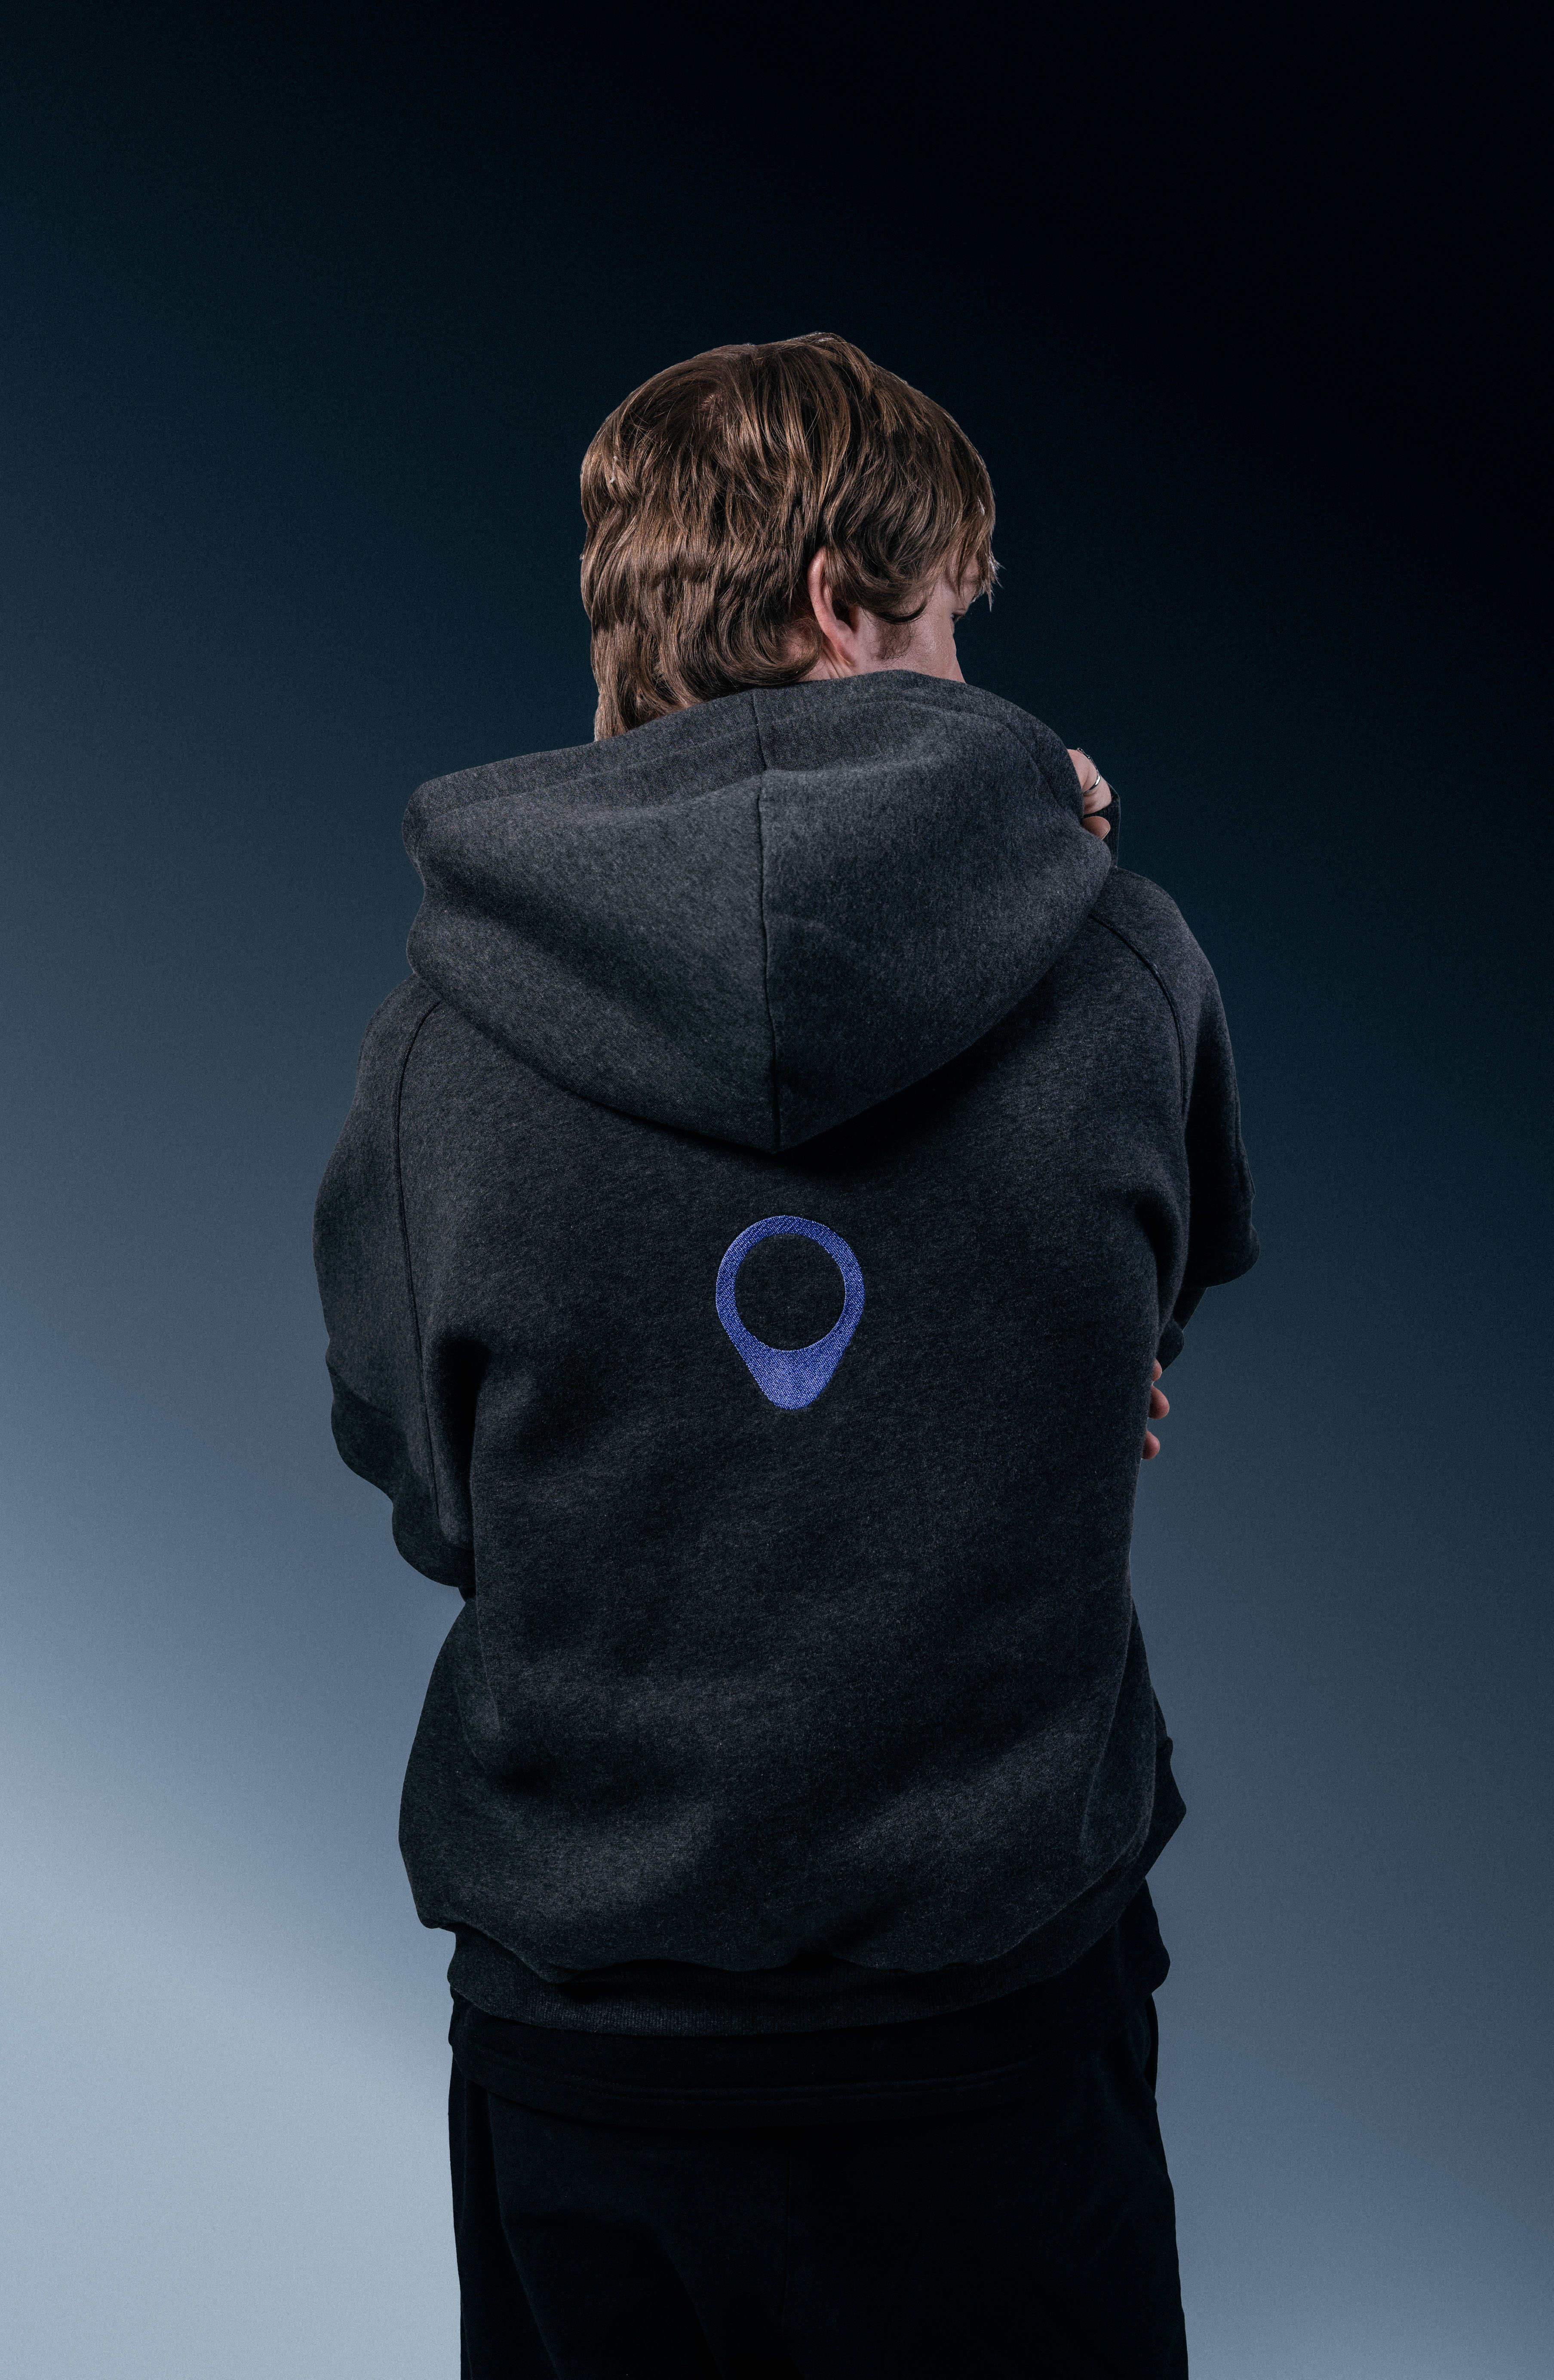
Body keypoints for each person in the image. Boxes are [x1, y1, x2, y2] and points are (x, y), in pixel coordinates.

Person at [313, 332, 1258, 2377]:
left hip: (596, 2047)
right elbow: (1144, 1331)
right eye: (950, 620)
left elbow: (426, 1490)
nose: (974, 679)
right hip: (996, 2034)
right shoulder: (1125, 959)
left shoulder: (441, 1046)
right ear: (843, 605)